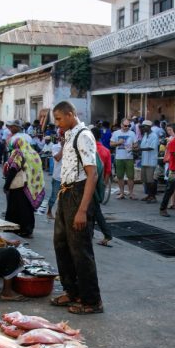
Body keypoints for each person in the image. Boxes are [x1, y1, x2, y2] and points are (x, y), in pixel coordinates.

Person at [51, 101, 103, 314]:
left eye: (59, 119)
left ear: (71, 114)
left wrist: (82, 210)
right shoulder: (69, 134)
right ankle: (72, 291)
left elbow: (93, 174)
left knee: (80, 249)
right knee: (61, 245)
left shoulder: (83, 135)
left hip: (78, 194)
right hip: (66, 193)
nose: (57, 123)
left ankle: (92, 300)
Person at [4, 137, 45, 238]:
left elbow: (13, 169)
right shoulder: (34, 153)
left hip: (20, 187)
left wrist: (6, 185)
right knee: (28, 209)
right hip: (32, 187)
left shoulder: (19, 153)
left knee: (15, 208)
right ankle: (28, 229)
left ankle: (15, 228)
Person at [91, 127, 113, 247]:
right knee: (94, 209)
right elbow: (108, 171)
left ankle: (107, 234)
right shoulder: (105, 150)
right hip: (100, 184)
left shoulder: (90, 150)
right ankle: (92, 233)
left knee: (95, 210)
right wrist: (103, 184)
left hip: (91, 184)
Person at [110, 119, 137, 199]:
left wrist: (134, 147)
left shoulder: (132, 133)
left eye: (129, 126)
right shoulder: (116, 133)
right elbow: (111, 144)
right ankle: (122, 193)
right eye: (125, 125)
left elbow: (136, 144)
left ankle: (131, 193)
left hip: (129, 158)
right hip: (119, 158)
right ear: (121, 125)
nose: (127, 127)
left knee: (131, 177)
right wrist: (119, 143)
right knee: (120, 176)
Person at [139, 120, 160, 203]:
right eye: (142, 127)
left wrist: (139, 149)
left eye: (144, 126)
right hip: (144, 160)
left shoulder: (154, 136)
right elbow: (142, 146)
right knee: (146, 180)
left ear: (149, 127)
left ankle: (153, 196)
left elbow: (151, 147)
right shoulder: (145, 135)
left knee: (151, 180)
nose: (143, 128)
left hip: (151, 161)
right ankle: (149, 195)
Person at [46, 136, 62, 220]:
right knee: (54, 196)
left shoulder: (70, 147)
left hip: (67, 177)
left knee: (64, 198)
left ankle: (60, 214)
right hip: (57, 177)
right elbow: (58, 158)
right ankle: (49, 211)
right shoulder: (55, 147)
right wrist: (63, 147)